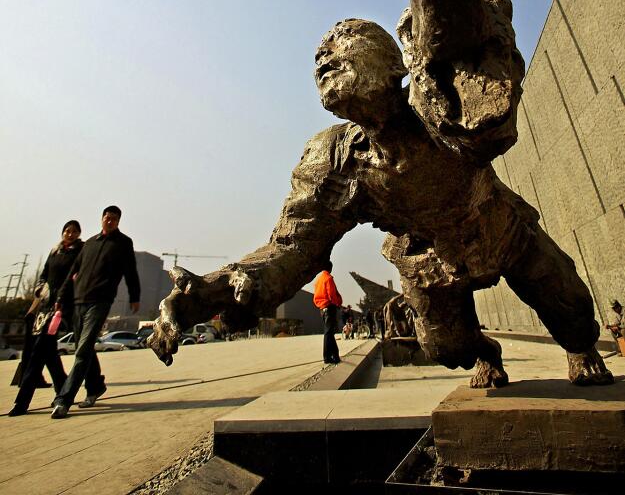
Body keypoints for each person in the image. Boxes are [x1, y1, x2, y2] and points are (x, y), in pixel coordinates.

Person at [149, 19, 612, 388]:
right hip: (428, 260)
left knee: (568, 303)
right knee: (446, 350)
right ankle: (487, 353)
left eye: (343, 39)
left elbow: (486, 118)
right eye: (317, 55)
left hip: (495, 225)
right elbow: (291, 248)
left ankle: (580, 349)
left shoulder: (436, 108)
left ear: (395, 68)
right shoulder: (332, 160)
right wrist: (207, 294)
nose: (322, 56)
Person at [51, 205, 140, 419]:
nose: (110, 221)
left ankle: (63, 400)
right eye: (107, 218)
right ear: (102, 219)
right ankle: (95, 387)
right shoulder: (89, 244)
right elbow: (74, 271)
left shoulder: (123, 243)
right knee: (86, 348)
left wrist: (134, 295)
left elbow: (130, 271)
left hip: (100, 301)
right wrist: (62, 297)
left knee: (82, 350)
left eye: (114, 219)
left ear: (119, 222)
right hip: (79, 300)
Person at [8, 220, 83, 416]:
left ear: (79, 234)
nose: (70, 234)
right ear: (62, 233)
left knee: (38, 351)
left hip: (63, 307)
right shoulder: (55, 251)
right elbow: (44, 275)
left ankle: (22, 402)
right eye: (67, 231)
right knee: (48, 352)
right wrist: (40, 289)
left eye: (74, 231)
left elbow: (77, 278)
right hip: (46, 305)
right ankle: (62, 390)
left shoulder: (79, 253)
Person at [313, 260, 342, 365]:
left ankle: (335, 355)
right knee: (328, 333)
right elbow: (332, 295)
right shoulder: (328, 278)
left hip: (322, 308)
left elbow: (316, 295)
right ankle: (327, 357)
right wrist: (337, 304)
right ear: (330, 268)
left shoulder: (318, 280)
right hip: (329, 307)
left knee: (329, 332)